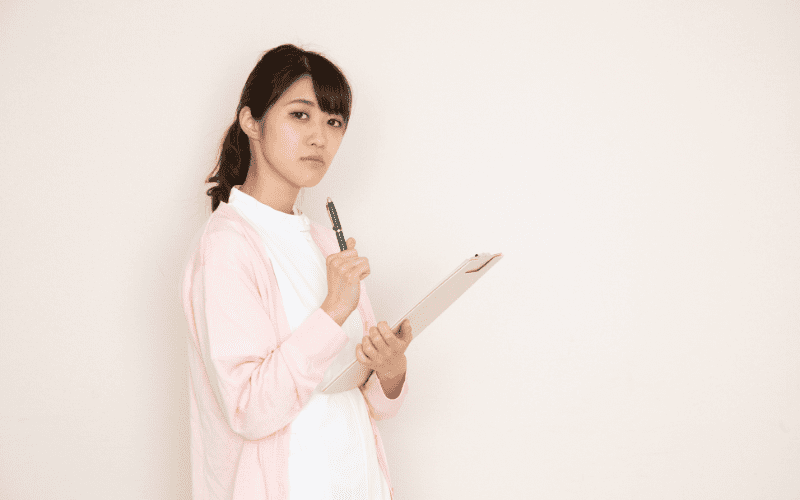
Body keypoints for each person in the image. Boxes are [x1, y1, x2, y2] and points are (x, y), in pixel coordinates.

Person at [181, 44, 412, 500]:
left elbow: (358, 394)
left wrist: (390, 371)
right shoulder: (227, 244)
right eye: (300, 115)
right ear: (252, 121)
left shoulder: (327, 243)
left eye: (334, 122)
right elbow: (249, 409)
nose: (319, 138)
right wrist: (333, 311)